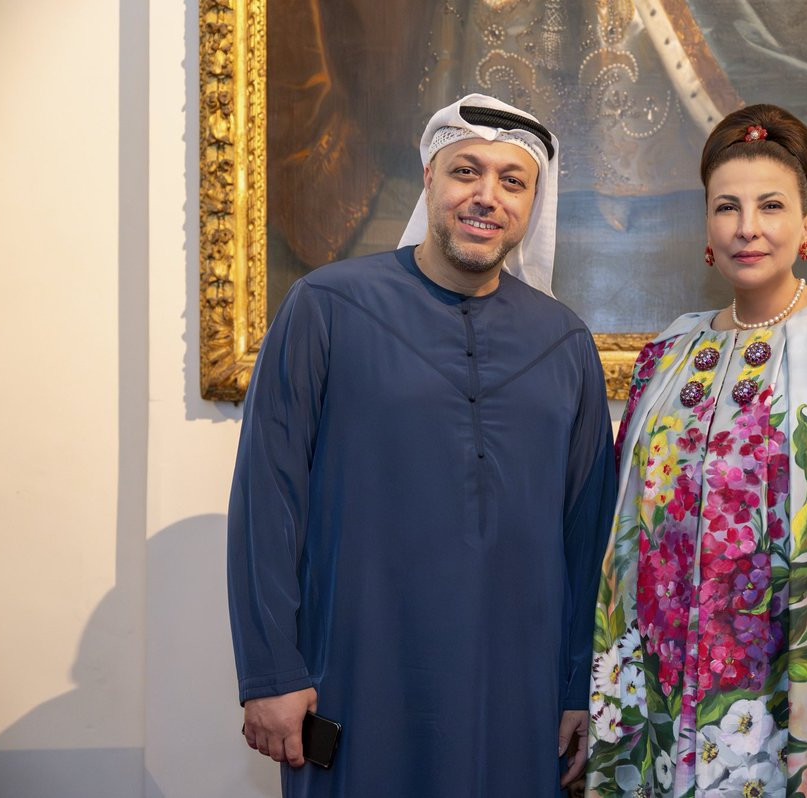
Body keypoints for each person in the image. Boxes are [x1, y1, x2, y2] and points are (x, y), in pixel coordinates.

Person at [227, 93, 616, 797]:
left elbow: (588, 539)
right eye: (467, 171)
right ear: (430, 177)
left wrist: (580, 687)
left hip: (519, 696)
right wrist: (271, 672)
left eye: (512, 180)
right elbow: (268, 500)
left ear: (532, 203)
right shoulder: (326, 307)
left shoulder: (565, 343)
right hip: (357, 678)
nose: (487, 196)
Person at [584, 105, 807, 797]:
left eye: (771, 205)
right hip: (663, 689)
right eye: (727, 207)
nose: (747, 226)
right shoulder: (668, 353)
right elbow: (627, 535)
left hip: (797, 682)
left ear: (806, 226)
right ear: (707, 229)